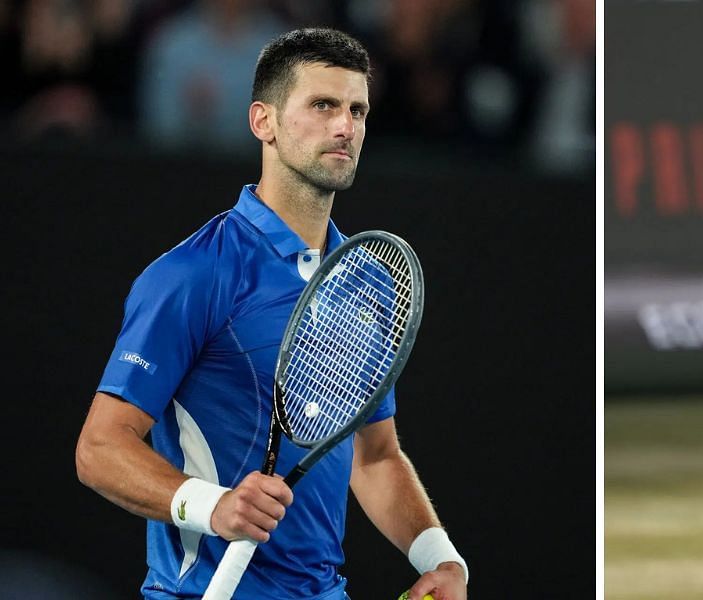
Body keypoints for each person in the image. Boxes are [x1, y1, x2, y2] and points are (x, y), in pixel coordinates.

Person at [75, 28, 468, 600]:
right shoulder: (193, 274)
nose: (345, 127)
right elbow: (100, 448)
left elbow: (376, 456)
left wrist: (442, 559)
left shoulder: (368, 280)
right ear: (265, 123)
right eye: (323, 105)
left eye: (357, 109)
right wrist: (215, 507)